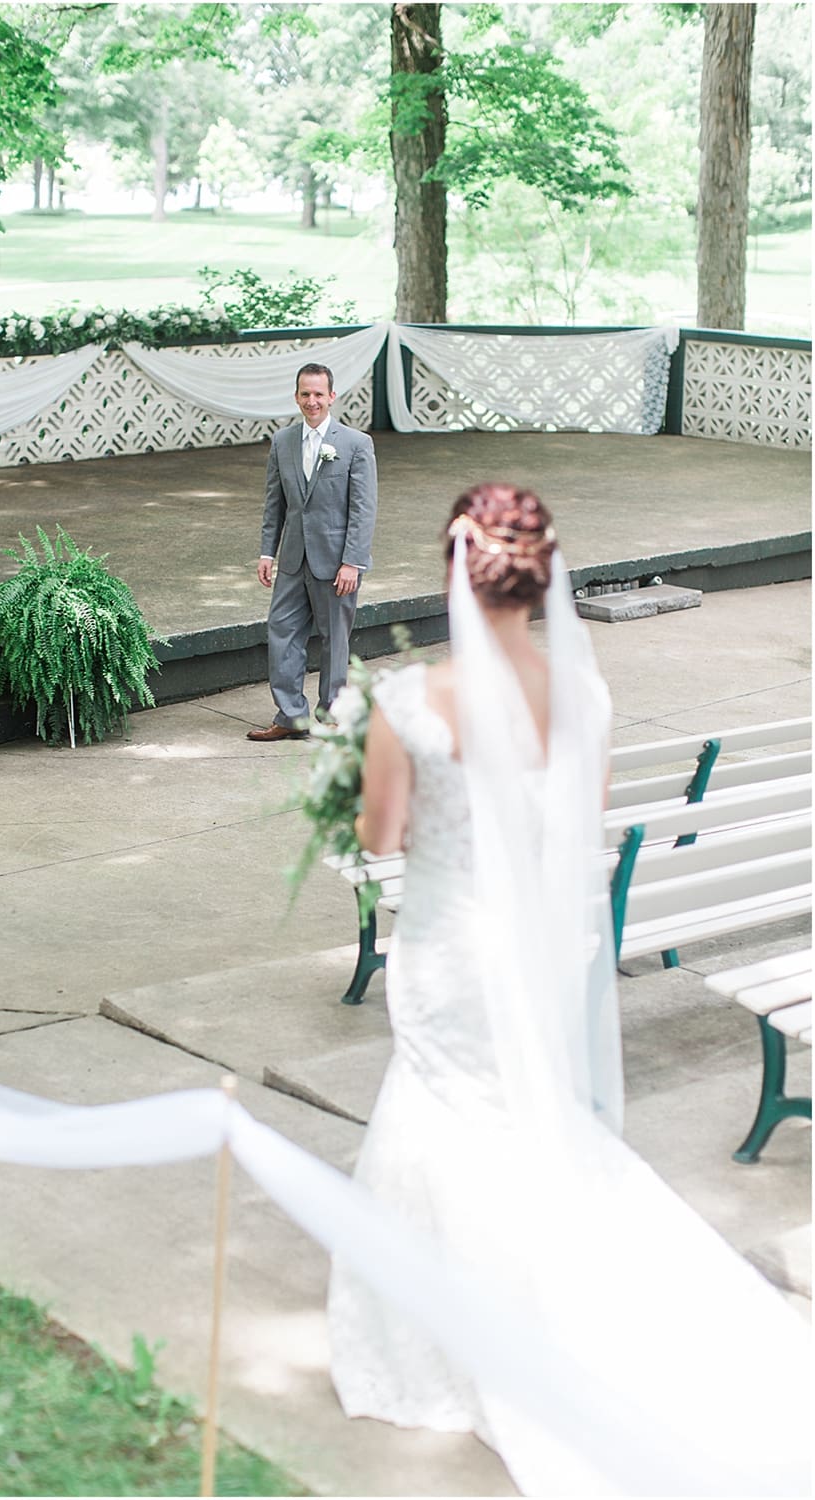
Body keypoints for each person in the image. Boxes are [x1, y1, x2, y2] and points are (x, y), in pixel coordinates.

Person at [326, 483, 809, 1493]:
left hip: (448, 947)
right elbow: (575, 826)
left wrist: (358, 786)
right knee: (521, 1118)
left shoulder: (408, 704)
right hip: (533, 951)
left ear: (455, 572)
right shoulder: (582, 696)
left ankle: (465, 1326)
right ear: (543, 575)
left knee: (444, 1115)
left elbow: (382, 837)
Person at [250, 363, 378, 742]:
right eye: (305, 394)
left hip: (337, 562)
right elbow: (275, 503)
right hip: (293, 558)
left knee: (335, 639)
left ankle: (333, 715)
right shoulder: (282, 442)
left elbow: (363, 509)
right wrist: (267, 553)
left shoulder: (355, 444)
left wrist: (352, 561)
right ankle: (291, 717)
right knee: (282, 632)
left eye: (319, 394)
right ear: (296, 397)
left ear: (332, 396)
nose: (312, 401)